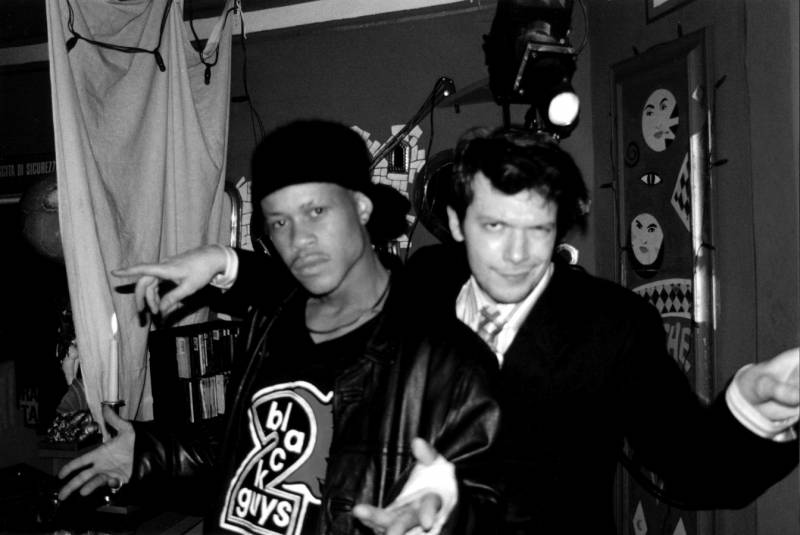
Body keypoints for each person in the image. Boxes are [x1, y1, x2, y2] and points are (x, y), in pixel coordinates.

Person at [101, 126, 800, 534]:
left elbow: (690, 467)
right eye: (495, 225)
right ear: (459, 223)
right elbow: (329, 282)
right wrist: (225, 264)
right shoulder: (428, 282)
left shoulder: (611, 325)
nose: (519, 254)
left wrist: (753, 410)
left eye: (538, 229)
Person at [57, 119, 502, 535]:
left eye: (317, 212)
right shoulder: (274, 320)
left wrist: (444, 518)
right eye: (279, 222)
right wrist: (147, 453)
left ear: (361, 207)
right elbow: (249, 447)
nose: (298, 240)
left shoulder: (447, 358)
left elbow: (491, 498)